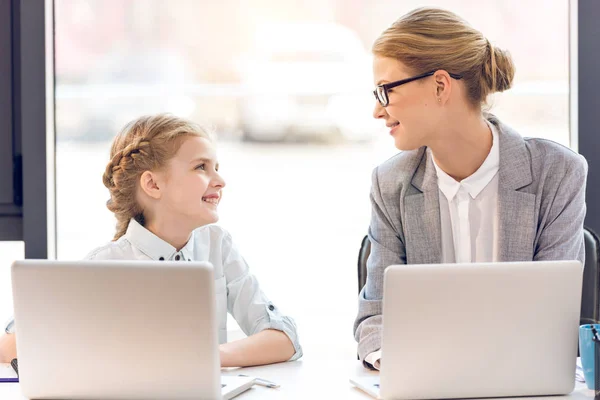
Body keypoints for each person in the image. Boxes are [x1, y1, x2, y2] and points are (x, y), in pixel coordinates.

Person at [354, 7, 588, 370]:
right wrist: (399, 364)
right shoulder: (390, 184)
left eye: (385, 91)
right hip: (425, 383)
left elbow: (552, 319)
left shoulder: (557, 173)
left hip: (522, 383)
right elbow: (374, 318)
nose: (377, 110)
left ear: (440, 85)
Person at [1, 114, 302, 367]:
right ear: (153, 184)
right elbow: (13, 345)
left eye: (216, 168)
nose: (220, 181)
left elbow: (285, 339)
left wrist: (209, 357)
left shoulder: (216, 246)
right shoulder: (104, 265)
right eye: (201, 167)